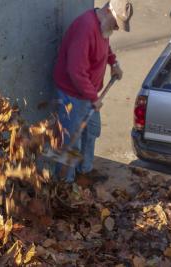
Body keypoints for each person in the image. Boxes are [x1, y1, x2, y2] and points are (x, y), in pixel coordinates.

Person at [53, 0, 133, 183]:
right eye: (116, 23)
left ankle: (85, 172)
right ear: (107, 11)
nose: (117, 28)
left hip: (88, 94)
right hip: (73, 94)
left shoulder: (103, 26)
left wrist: (114, 63)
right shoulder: (85, 28)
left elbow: (105, 46)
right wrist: (92, 97)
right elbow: (76, 71)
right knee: (72, 140)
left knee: (91, 132)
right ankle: (65, 182)